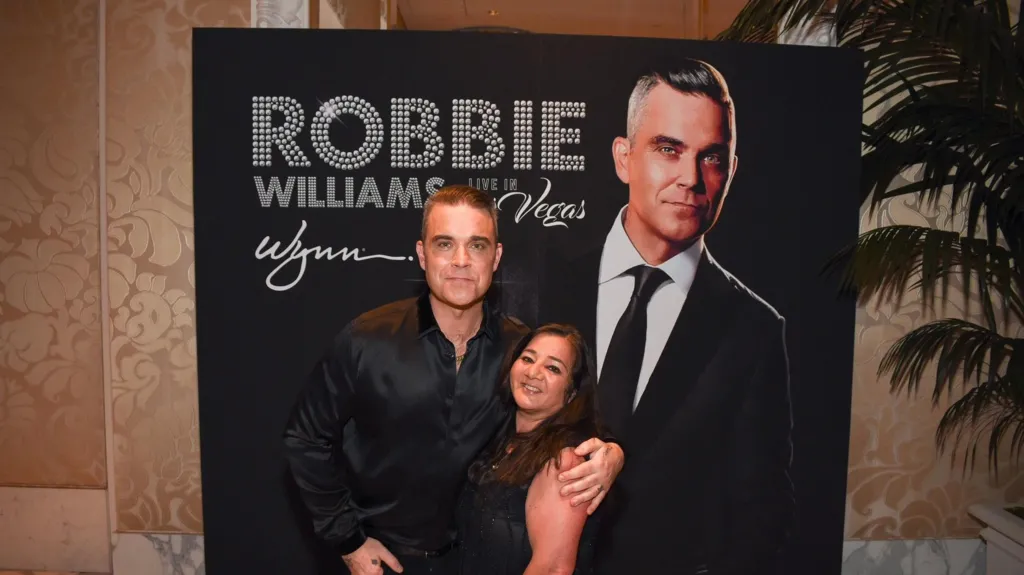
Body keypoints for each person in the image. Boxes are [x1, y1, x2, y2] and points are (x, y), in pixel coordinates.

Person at [282, 185, 625, 575]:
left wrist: (612, 456)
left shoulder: (519, 351)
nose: (461, 261)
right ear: (422, 254)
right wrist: (349, 542)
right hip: (378, 562)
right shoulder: (366, 339)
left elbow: (571, 419)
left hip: (474, 562)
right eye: (445, 244)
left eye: (477, 246)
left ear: (496, 258)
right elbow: (305, 438)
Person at [538, 59, 795, 574]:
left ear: (731, 172)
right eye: (668, 149)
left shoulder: (754, 329)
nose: (691, 179)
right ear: (624, 158)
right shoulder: (545, 286)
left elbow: (761, 512)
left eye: (712, 157)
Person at [456, 323, 607, 575]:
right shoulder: (500, 437)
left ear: (571, 393)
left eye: (553, 368)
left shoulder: (564, 461)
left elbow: (553, 569)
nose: (533, 372)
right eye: (528, 358)